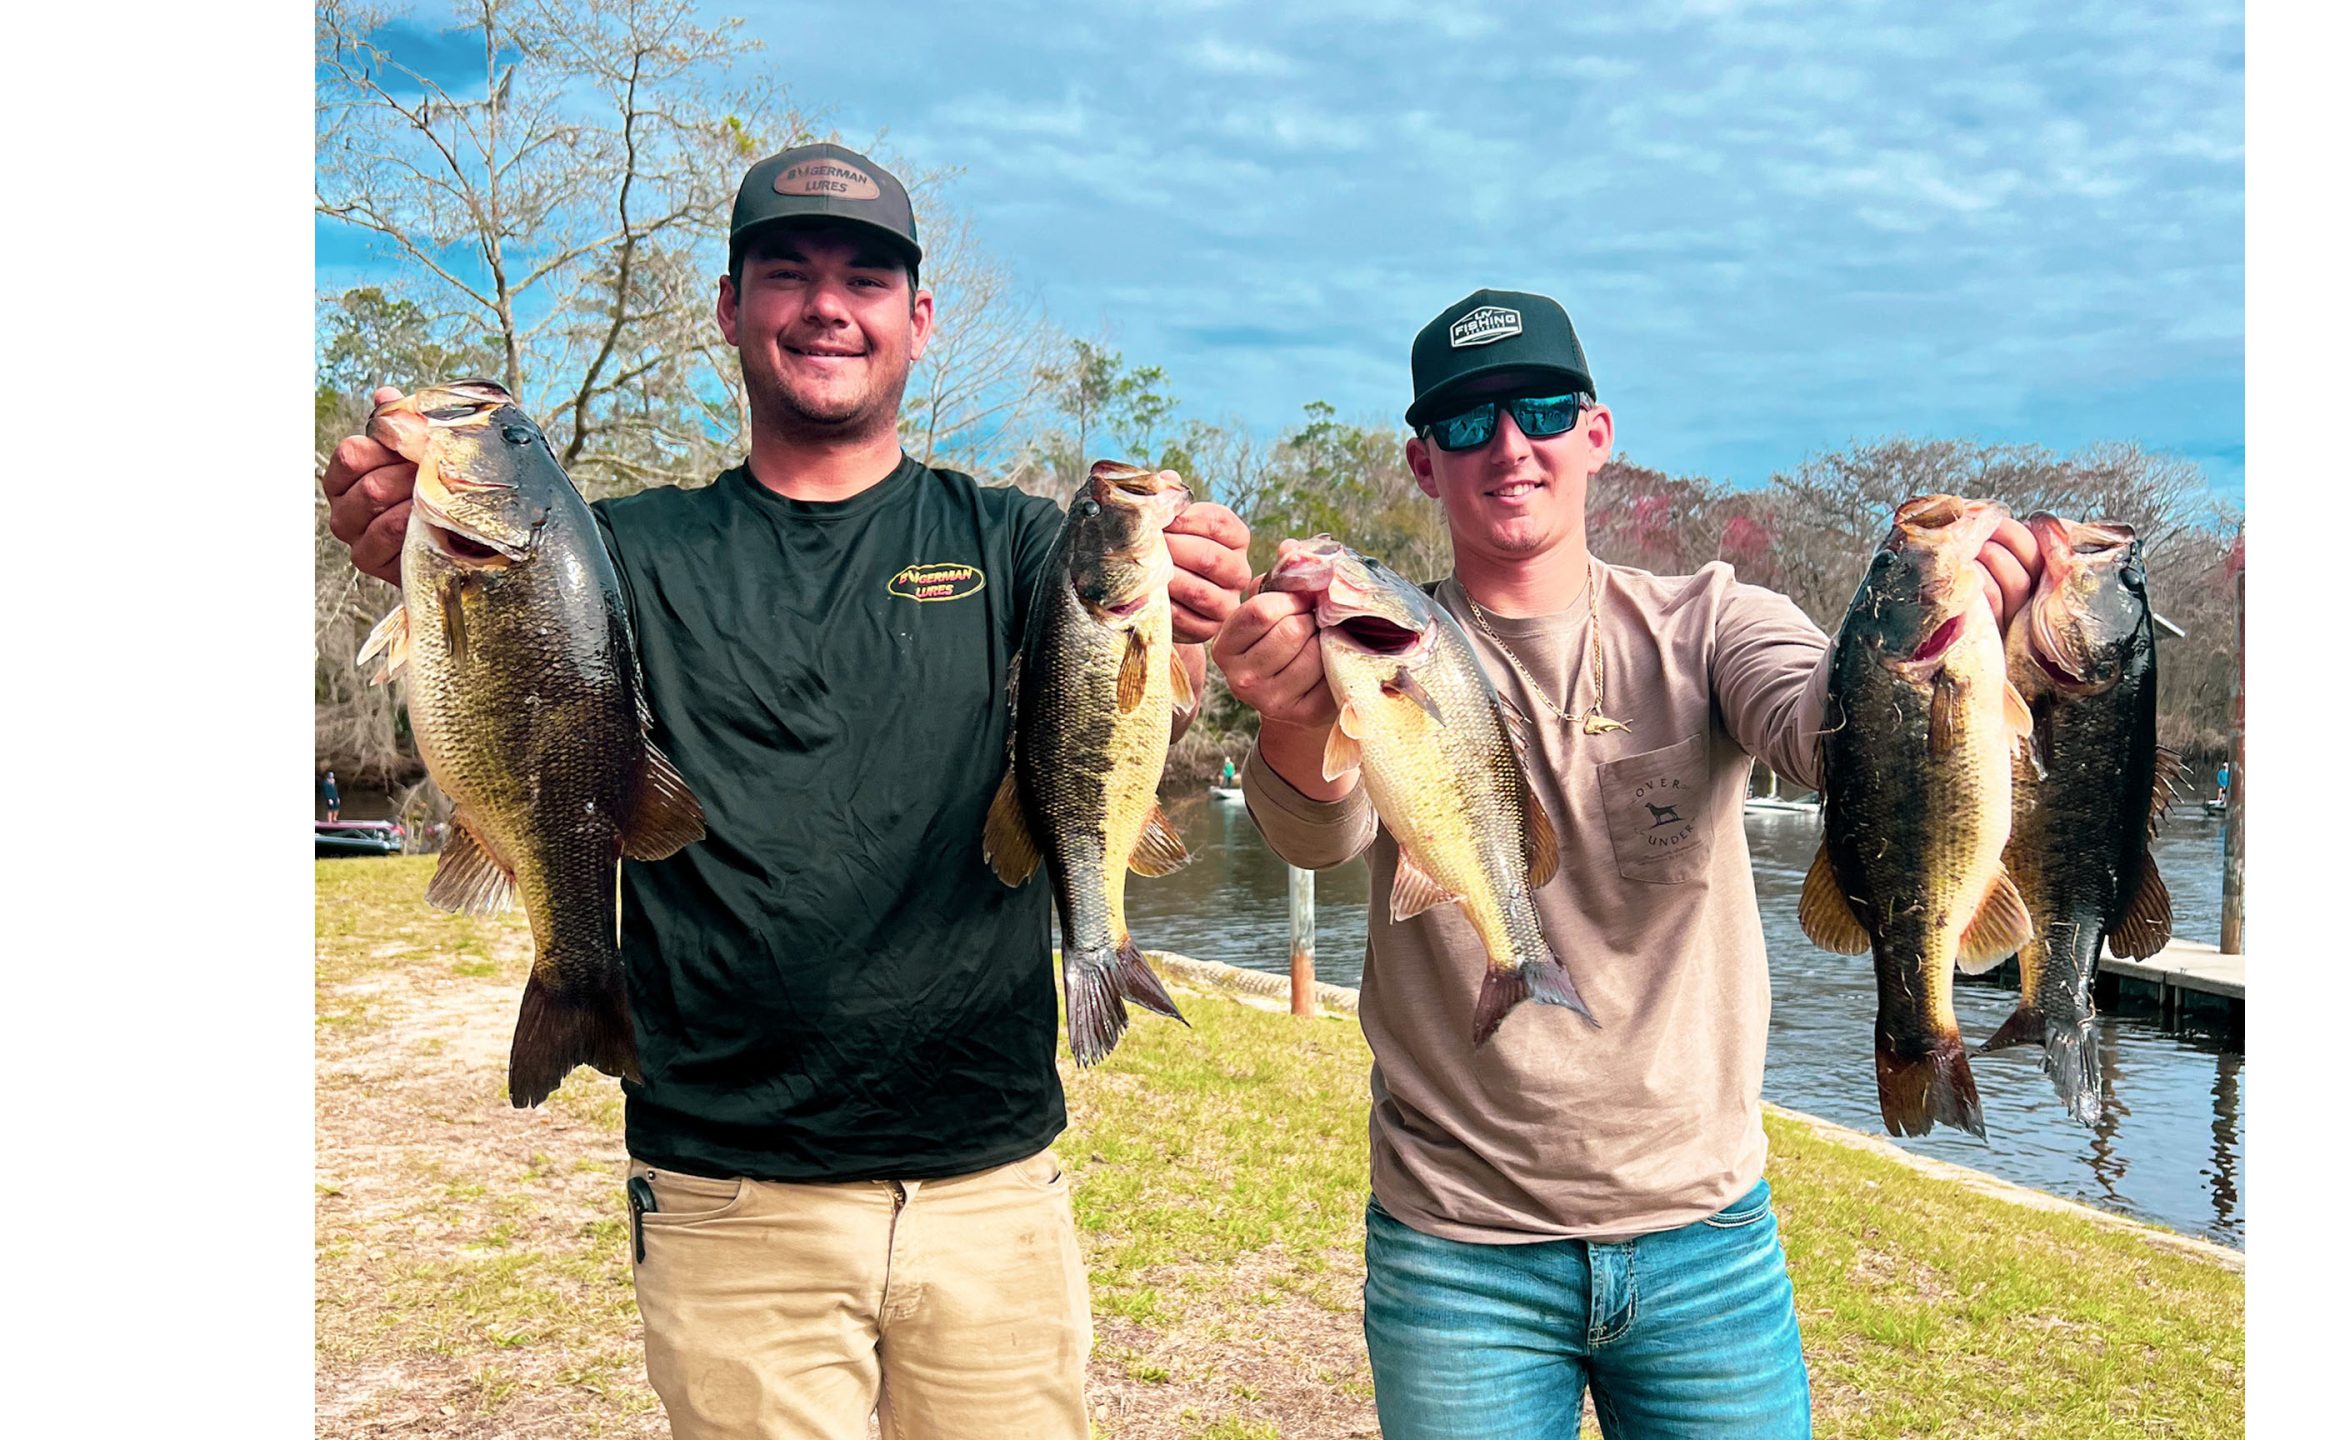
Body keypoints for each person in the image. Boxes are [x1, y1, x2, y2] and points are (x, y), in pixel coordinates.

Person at [320, 142, 1252, 1440]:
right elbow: (521, 672)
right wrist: (408, 541)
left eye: (866, 279)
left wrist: (1190, 610)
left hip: (990, 1188)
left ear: (919, 319)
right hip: (727, 1195)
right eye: (786, 272)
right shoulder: (617, 550)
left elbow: (1120, 709)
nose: (827, 305)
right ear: (728, 307)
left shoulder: (1023, 545)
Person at [1211, 288, 2039, 1439]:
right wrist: (1291, 719)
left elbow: (1823, 732)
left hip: (1706, 1235)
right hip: (1455, 1249)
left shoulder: (1712, 621)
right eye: (1467, 422)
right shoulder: (1372, 643)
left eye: (1544, 411)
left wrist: (1945, 641)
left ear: (1595, 435)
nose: (1510, 446)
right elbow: (1319, 835)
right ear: (1422, 463)